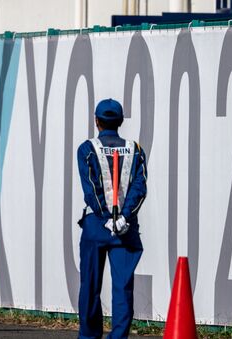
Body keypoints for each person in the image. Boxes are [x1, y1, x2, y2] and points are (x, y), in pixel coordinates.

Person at [76, 98, 148, 339]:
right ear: (120, 122)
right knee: (123, 289)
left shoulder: (87, 149)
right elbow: (140, 187)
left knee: (90, 286)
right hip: (125, 229)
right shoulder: (135, 149)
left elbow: (90, 188)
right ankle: (118, 337)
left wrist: (105, 216)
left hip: (97, 225)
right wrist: (124, 217)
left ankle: (89, 336)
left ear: (96, 121)